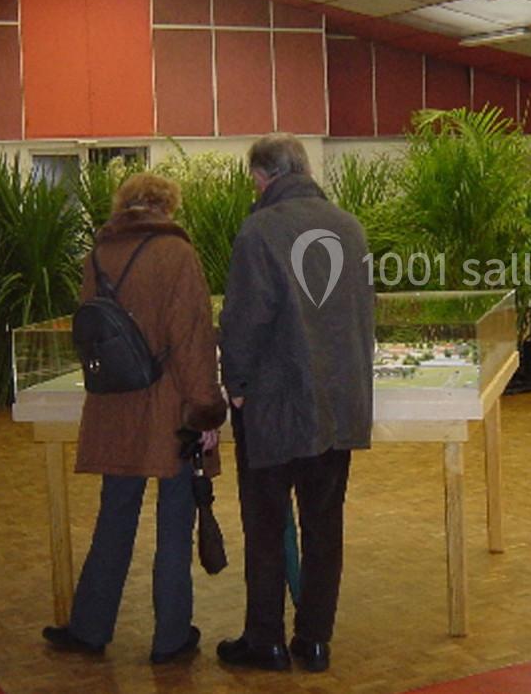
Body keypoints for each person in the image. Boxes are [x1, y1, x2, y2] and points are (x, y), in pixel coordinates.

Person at [42, 172, 228, 664]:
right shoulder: (178, 255)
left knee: (114, 516)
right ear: (167, 207)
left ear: (124, 206)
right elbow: (192, 338)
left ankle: (89, 626)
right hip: (168, 406)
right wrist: (206, 409)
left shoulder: (99, 255)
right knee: (174, 521)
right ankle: (169, 638)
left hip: (113, 405)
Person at [216, 134, 374, 674]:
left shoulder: (259, 230)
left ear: (262, 178)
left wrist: (234, 381)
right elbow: (361, 318)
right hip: (336, 405)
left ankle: (267, 641)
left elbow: (243, 319)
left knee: (265, 525)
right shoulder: (350, 226)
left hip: (273, 407)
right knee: (324, 526)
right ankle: (315, 641)